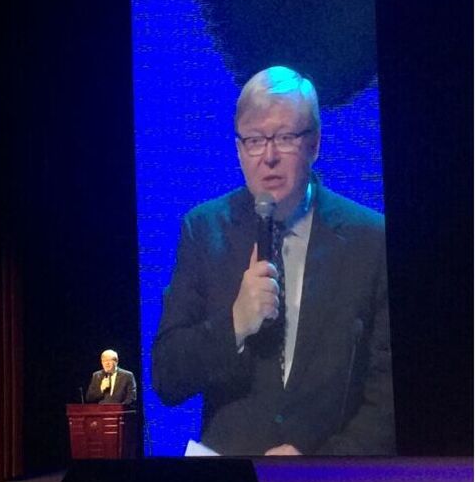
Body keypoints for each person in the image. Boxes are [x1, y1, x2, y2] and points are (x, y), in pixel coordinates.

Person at [152, 66, 395, 456]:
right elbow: (166, 376)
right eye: (254, 140)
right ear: (238, 149)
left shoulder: (371, 240)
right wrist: (235, 323)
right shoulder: (203, 230)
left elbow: (388, 399)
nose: (268, 157)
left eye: (284, 138)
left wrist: (319, 466)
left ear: (314, 144)